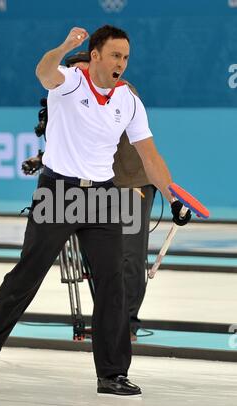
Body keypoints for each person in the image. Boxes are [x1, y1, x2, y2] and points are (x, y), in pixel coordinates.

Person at [0, 25, 191, 397]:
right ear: (95, 55)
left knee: (112, 283)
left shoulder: (129, 101)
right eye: (115, 55)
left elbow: (149, 157)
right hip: (58, 192)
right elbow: (43, 72)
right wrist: (63, 46)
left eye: (125, 57)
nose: (121, 63)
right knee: (26, 277)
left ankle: (111, 373)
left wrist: (172, 198)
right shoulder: (70, 81)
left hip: (101, 197)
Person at [23, 51, 155, 342]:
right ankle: (109, 319)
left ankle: (127, 324)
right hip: (99, 186)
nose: (72, 79)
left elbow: (117, 140)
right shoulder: (70, 92)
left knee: (128, 256)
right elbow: (75, 143)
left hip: (131, 182)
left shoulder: (119, 91)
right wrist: (42, 159)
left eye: (76, 71)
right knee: (99, 259)